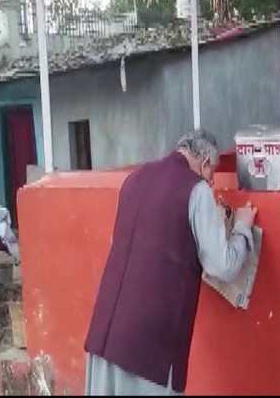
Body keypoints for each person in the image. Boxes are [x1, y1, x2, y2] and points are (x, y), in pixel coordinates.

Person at [84, 130, 257, 396]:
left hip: (105, 335)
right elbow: (223, 266)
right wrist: (242, 229)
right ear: (206, 165)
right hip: (149, 350)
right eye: (212, 177)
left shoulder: (135, 179)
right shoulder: (196, 190)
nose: (210, 183)